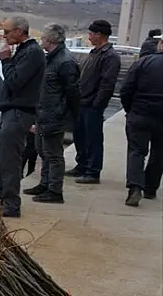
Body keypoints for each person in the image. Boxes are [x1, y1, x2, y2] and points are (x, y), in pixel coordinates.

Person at [0, 16, 45, 218]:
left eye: (7, 32)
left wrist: (6, 59)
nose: (5, 37)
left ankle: (10, 204)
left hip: (18, 112)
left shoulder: (32, 53)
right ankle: (1, 198)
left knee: (9, 160)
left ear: (19, 31)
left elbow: (15, 81)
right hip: (11, 112)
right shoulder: (26, 51)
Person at [23, 24, 80, 204]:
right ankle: (45, 183)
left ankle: (55, 190)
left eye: (44, 39)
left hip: (54, 115)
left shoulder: (65, 62)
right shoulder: (52, 59)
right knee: (43, 151)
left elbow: (72, 92)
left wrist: (67, 114)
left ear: (51, 40)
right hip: (44, 113)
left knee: (54, 154)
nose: (42, 42)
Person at [68, 20, 120, 185]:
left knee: (93, 139)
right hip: (82, 103)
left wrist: (97, 105)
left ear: (99, 35)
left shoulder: (110, 57)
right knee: (80, 136)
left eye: (91, 34)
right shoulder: (94, 53)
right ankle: (82, 164)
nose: (89, 37)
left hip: (92, 105)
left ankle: (93, 171)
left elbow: (107, 84)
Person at [120, 37, 163, 206]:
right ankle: (151, 189)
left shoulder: (144, 62)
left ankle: (135, 188)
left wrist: (130, 109)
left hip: (140, 113)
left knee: (137, 152)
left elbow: (126, 88)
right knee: (159, 153)